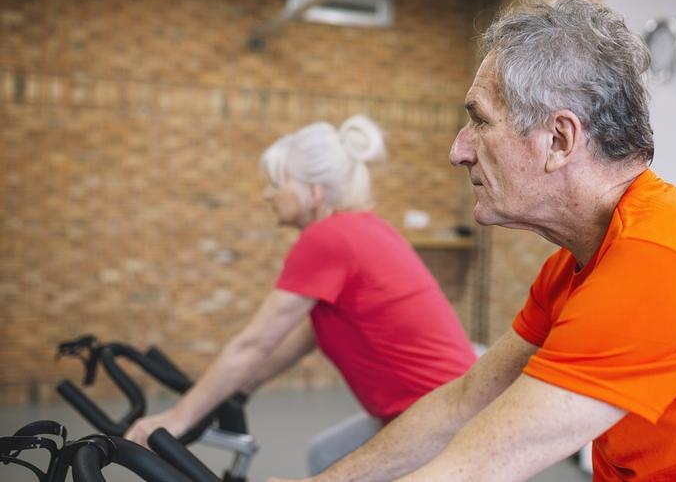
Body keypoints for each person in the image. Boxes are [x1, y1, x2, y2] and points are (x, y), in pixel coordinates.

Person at [271, 0, 676, 482]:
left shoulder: (658, 268)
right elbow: (465, 404)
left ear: (560, 140)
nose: (458, 149)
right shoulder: (578, 266)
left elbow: (474, 465)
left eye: (479, 120)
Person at [123, 115, 477, 476]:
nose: (267, 194)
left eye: (277, 183)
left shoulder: (327, 239)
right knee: (325, 455)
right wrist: (242, 388)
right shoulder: (361, 229)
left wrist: (177, 418)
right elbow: (305, 335)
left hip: (443, 421)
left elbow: (254, 343)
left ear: (314, 192)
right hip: (445, 404)